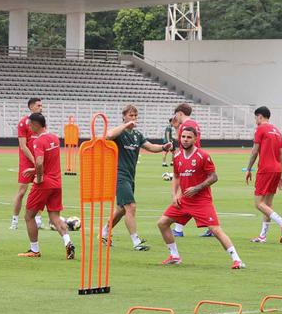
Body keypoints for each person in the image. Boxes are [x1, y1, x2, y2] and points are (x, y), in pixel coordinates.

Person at [156, 125, 245, 269]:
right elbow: (177, 177)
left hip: (201, 201)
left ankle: (237, 260)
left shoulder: (203, 156)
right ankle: (175, 256)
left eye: (189, 137)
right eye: (183, 137)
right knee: (162, 223)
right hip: (184, 201)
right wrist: (175, 195)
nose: (185, 140)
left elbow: (214, 177)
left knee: (215, 230)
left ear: (195, 139)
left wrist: (197, 188)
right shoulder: (177, 155)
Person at [103, 105, 173, 251]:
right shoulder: (119, 133)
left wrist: (163, 147)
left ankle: (104, 232)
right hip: (119, 174)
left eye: (135, 116)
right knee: (131, 206)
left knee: (122, 209)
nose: (133, 118)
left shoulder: (137, 135)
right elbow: (108, 135)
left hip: (130, 176)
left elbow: (150, 146)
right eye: (130, 115)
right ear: (124, 116)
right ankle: (136, 241)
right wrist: (125, 125)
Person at [18, 113, 76, 259]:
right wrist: (35, 170)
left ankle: (34, 249)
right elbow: (47, 162)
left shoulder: (39, 141)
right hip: (57, 183)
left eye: (30, 124)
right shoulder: (54, 138)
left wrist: (38, 177)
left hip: (44, 184)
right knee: (55, 217)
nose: (29, 127)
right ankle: (68, 242)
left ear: (36, 125)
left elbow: (39, 162)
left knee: (29, 216)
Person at [244, 106, 282, 243]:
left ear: (259, 116)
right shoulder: (276, 131)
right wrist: (280, 173)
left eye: (256, 118)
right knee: (268, 204)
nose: (256, 121)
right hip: (276, 169)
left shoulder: (260, 129)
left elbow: (254, 151)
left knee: (259, 203)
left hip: (265, 169)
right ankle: (263, 236)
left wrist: (248, 169)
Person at [11, 98, 44, 231]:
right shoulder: (23, 123)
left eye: (41, 105)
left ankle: (38, 218)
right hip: (27, 161)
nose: (41, 108)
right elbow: (23, 146)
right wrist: (34, 160)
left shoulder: (42, 123)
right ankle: (14, 220)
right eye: (38, 105)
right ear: (31, 107)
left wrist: (40, 160)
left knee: (41, 189)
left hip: (39, 160)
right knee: (22, 191)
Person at [169, 103, 200, 237]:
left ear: (180, 113)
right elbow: (181, 141)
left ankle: (178, 230)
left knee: (182, 195)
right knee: (195, 197)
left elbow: (184, 145)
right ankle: (178, 229)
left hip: (190, 162)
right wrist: (176, 128)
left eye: (176, 114)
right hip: (194, 161)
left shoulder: (186, 126)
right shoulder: (193, 124)